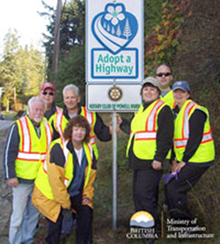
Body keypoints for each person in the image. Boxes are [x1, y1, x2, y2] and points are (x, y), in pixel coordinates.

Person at [53, 84, 112, 235]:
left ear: (78, 99)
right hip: (65, 162)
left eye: (73, 97)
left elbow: (103, 134)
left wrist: (112, 129)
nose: (70, 100)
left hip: (87, 161)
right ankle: (67, 223)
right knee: (66, 190)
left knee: (83, 192)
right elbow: (52, 140)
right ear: (63, 99)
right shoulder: (57, 116)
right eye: (67, 98)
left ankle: (81, 224)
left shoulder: (90, 114)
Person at [118, 77, 174, 233]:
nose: (148, 92)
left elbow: (166, 136)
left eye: (152, 89)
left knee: (144, 195)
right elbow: (135, 130)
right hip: (138, 160)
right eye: (145, 89)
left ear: (158, 92)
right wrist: (122, 122)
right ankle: (142, 227)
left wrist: (159, 158)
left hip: (151, 161)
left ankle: (152, 232)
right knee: (138, 195)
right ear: (141, 93)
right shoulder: (141, 109)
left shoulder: (163, 109)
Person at [32, 115, 97, 244]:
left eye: (83, 130)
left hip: (74, 193)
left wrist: (87, 195)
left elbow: (90, 177)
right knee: (56, 220)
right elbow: (55, 181)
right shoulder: (59, 148)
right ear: (70, 131)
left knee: (86, 212)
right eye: (76, 129)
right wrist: (66, 204)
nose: (79, 133)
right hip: (50, 194)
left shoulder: (89, 150)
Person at [2, 97, 52, 244]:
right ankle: (15, 242)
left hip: (39, 181)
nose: (38, 112)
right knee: (18, 216)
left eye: (41, 110)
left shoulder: (47, 126)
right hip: (21, 181)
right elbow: (9, 153)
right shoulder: (18, 126)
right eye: (36, 109)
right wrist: (10, 175)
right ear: (29, 110)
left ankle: (27, 240)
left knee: (33, 216)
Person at [166, 81, 215, 219]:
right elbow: (176, 141)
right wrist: (174, 162)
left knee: (175, 188)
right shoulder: (176, 112)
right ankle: (176, 221)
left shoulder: (196, 111)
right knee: (171, 185)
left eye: (182, 91)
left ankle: (183, 225)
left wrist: (183, 162)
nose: (179, 94)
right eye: (176, 91)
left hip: (199, 158)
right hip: (187, 159)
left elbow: (195, 138)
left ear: (188, 94)